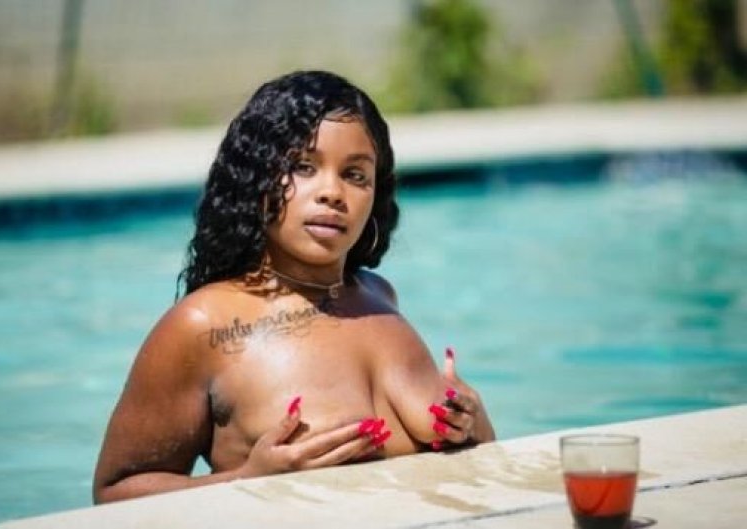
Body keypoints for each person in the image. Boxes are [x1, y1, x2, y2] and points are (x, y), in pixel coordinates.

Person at [93, 70, 494, 504]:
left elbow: (485, 464)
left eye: (355, 175)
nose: (333, 192)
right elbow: (113, 494)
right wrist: (246, 479)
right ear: (256, 180)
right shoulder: (202, 326)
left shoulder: (379, 297)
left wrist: (470, 419)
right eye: (304, 167)